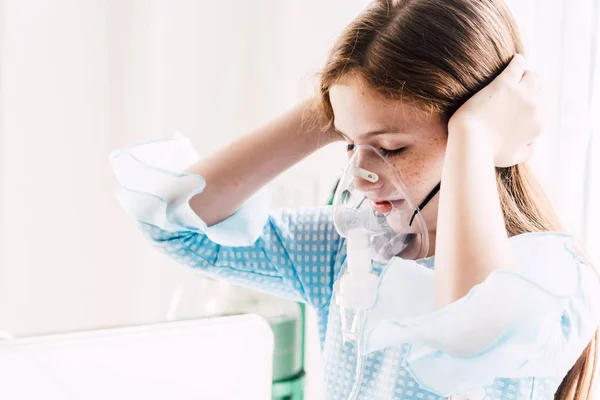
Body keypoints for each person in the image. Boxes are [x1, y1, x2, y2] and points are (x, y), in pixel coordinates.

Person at [110, 0, 600, 398]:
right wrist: (333, 107)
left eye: (390, 148)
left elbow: (470, 336)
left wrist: (474, 134)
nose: (362, 177)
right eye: (350, 144)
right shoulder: (349, 249)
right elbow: (175, 226)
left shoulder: (550, 280)